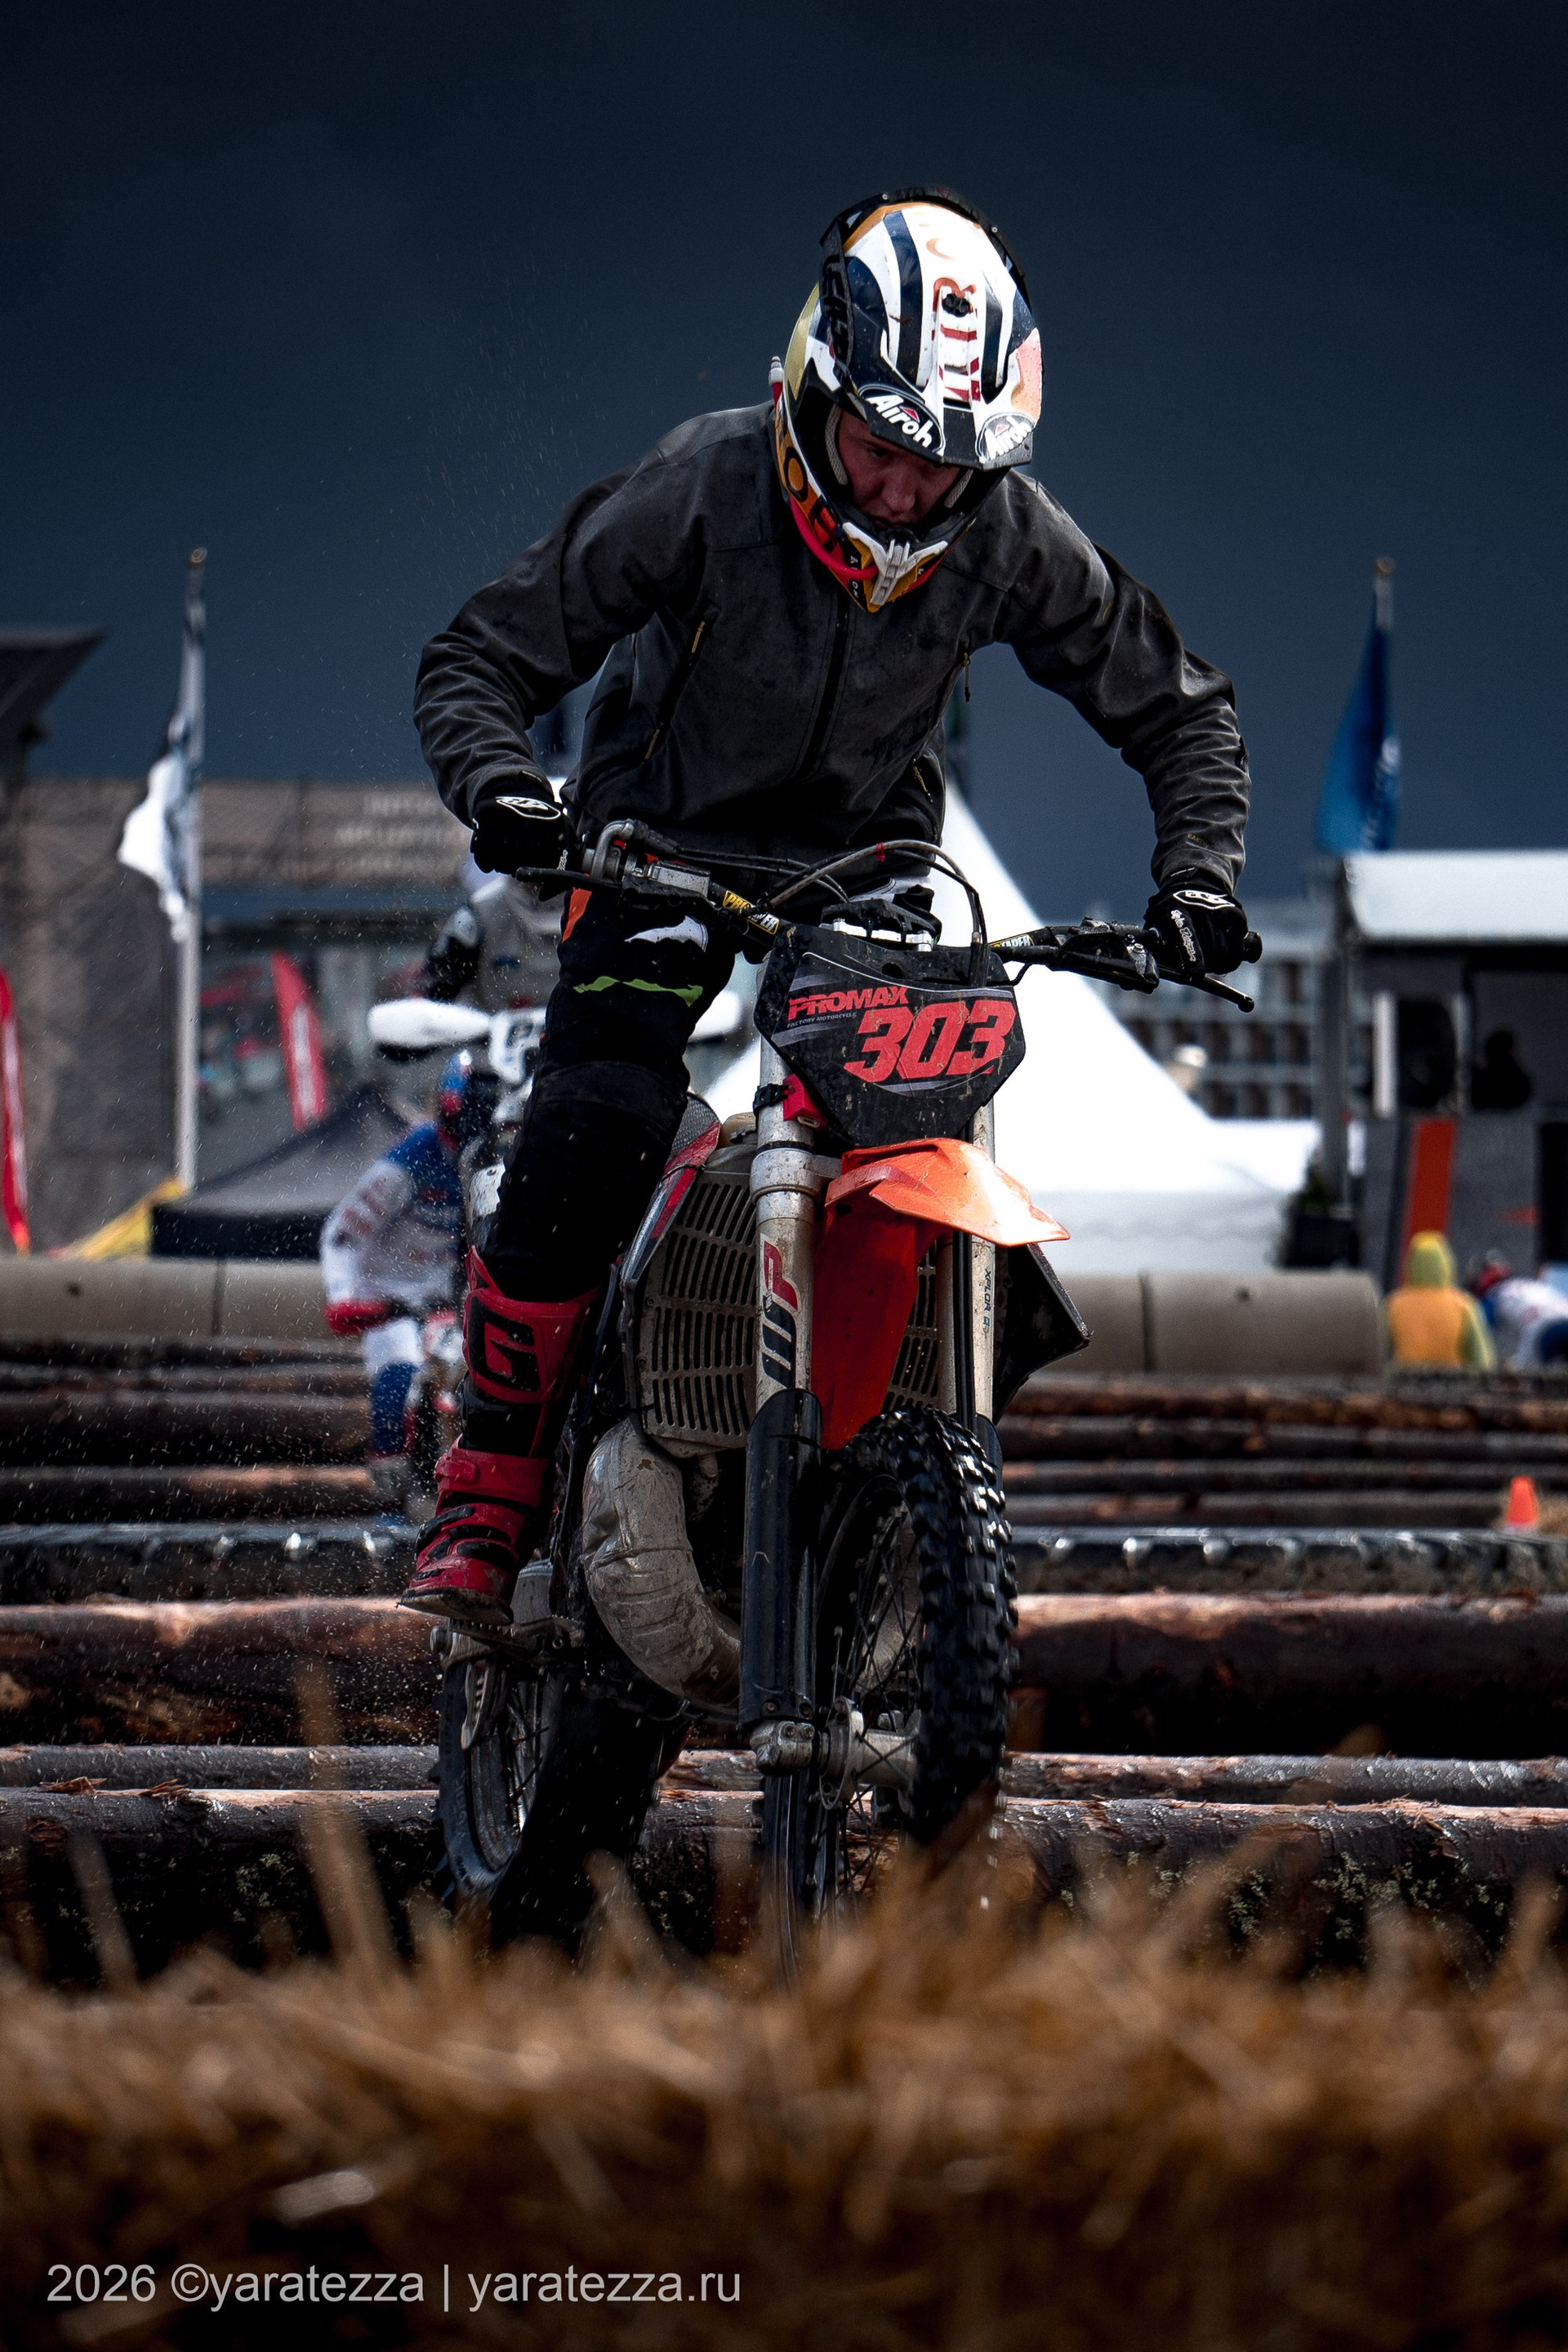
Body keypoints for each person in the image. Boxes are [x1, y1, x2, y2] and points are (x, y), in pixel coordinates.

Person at [403, 184, 1254, 1624]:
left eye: (945, 467)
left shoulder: (1010, 535)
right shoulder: (701, 484)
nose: (908, 493)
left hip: (867, 867)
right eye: (881, 448)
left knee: (915, 1137)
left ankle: (879, 1481)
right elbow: (477, 658)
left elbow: (1183, 712)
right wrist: (503, 792)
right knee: (599, 1111)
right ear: (812, 389)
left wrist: (1200, 880)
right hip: (656, 845)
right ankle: (490, 1484)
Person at [320, 1055, 475, 1503]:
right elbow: (341, 1235)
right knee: (399, 1379)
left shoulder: (502, 1158)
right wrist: (345, 1296)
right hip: (389, 1292)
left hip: (453, 1292)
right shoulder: (409, 1160)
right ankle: (390, 1493)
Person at [1384, 1232, 1495, 1370]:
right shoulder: (1463, 1305)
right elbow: (1482, 1359)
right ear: (1446, 1263)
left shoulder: (1394, 1304)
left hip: (1404, 1379)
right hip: (1453, 1380)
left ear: (1410, 1264)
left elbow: (1377, 1350)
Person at [1470, 1256, 1568, 1368]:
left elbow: (1477, 1325)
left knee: (1521, 1372)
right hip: (1562, 1319)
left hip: (1544, 1331)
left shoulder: (1495, 1294)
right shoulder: (1531, 1284)